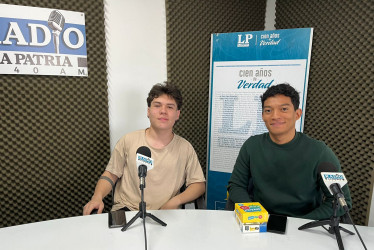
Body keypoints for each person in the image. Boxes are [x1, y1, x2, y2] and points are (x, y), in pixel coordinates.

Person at [227, 83, 352, 220]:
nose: (275, 116)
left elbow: (342, 201)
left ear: (297, 114)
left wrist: (300, 223)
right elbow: (236, 185)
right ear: (262, 115)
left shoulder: (320, 152)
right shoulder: (251, 146)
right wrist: (253, 215)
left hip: (303, 226)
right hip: (260, 221)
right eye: (268, 110)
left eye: (284, 109)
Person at [83, 82, 205, 215]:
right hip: (127, 210)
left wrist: (175, 201)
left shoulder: (185, 148)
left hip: (165, 213)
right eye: (157, 105)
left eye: (170, 107)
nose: (163, 111)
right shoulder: (128, 140)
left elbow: (198, 184)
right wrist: (97, 197)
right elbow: (111, 174)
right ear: (148, 111)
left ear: (177, 114)